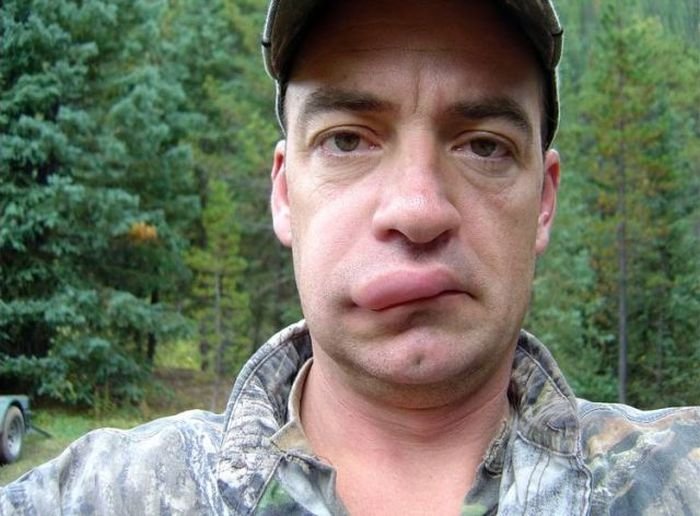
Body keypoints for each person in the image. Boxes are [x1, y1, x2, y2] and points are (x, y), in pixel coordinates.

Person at [2, 0, 699, 514]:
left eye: (484, 146)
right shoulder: (101, 496)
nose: (417, 210)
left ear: (542, 201)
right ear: (284, 194)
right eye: (346, 139)